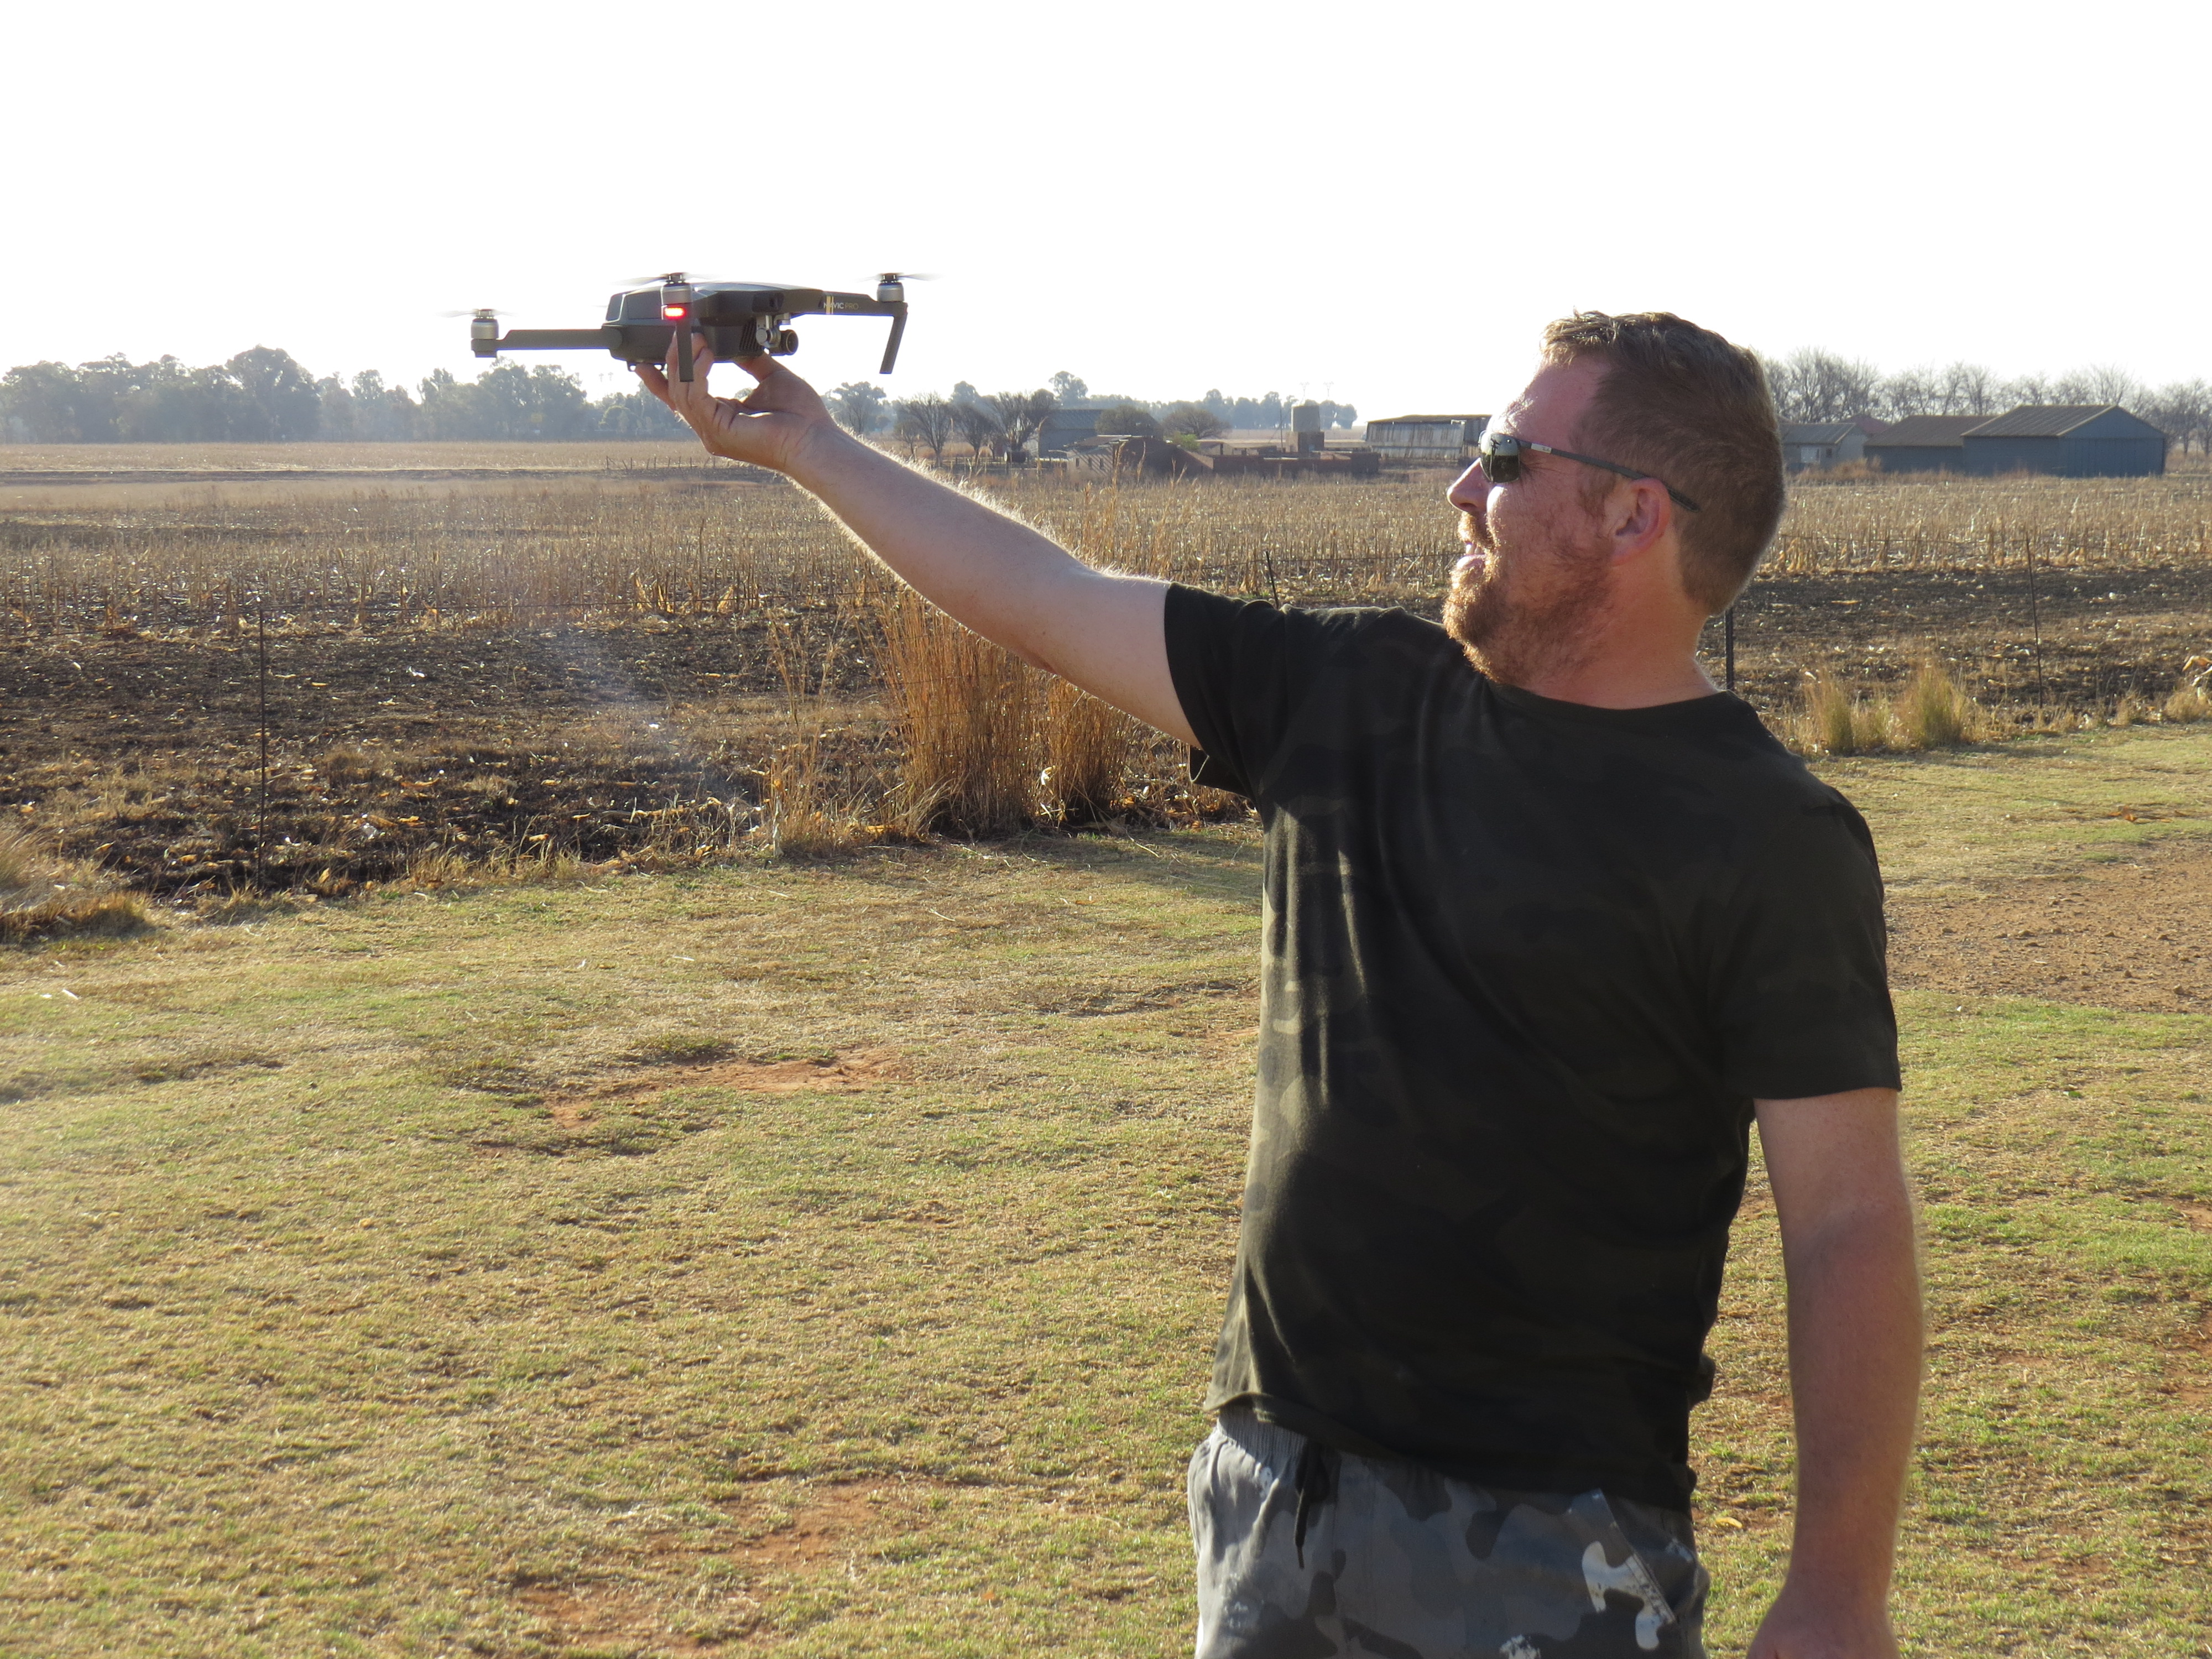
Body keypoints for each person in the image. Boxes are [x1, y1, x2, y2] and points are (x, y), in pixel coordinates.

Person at [638, 311, 1922, 1659]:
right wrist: (813, 448)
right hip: (1274, 1509)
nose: (1460, 488)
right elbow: (1048, 598)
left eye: (1503, 458)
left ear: (1630, 517)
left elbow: (1844, 1221)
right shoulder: (1350, 696)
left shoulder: (1768, 836)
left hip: (1552, 1548)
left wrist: (1837, 1592)